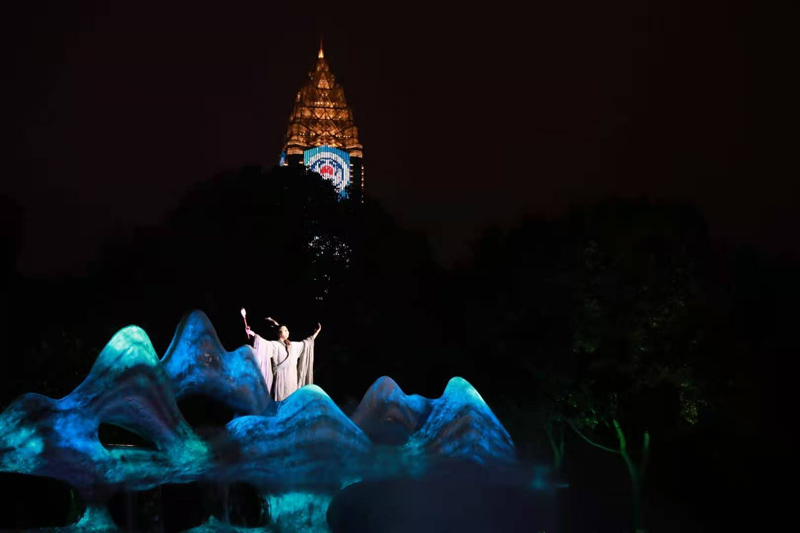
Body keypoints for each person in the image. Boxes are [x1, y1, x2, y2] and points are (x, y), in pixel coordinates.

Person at [246, 316, 321, 401]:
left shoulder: (293, 345)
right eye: (284, 330)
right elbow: (262, 343)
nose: (287, 331)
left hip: (292, 378)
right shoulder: (274, 345)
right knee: (281, 400)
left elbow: (307, 343)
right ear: (279, 333)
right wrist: (251, 333)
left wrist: (316, 333)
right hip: (281, 379)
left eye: (287, 330)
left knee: (291, 400)